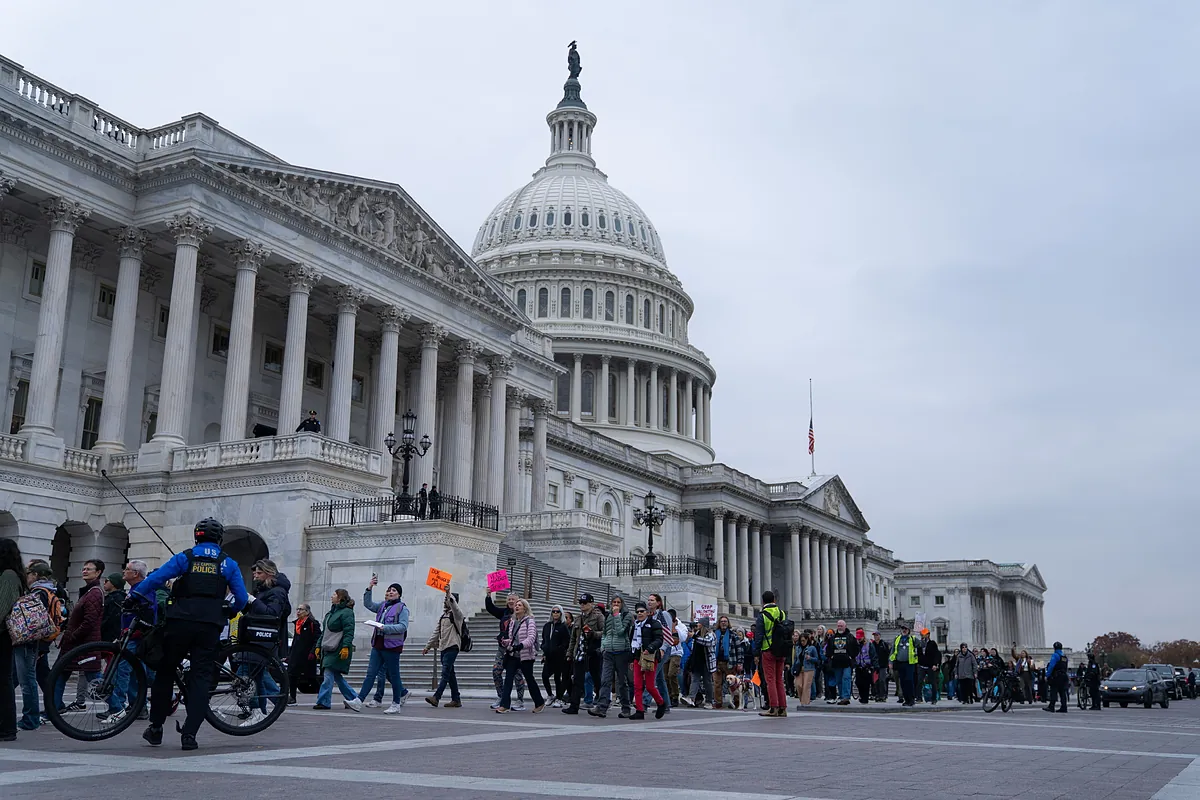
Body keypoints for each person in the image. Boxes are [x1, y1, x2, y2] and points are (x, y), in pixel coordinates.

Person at [127, 518, 248, 750]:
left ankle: (156, 729)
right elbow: (241, 598)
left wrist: (134, 596)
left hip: (179, 623)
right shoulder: (228, 563)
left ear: (197, 537)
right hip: (210, 625)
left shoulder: (186, 557)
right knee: (201, 677)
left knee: (165, 672)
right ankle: (190, 736)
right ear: (219, 539)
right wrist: (228, 612)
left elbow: (156, 578)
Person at [54, 559, 106, 713]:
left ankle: (117, 707)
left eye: (89, 569)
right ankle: (54, 707)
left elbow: (89, 621)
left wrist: (74, 635)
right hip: (77, 644)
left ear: (98, 572)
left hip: (83, 644)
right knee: (59, 675)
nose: (84, 571)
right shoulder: (89, 592)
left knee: (94, 678)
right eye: (84, 568)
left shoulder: (95, 593)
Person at [357, 575, 410, 713]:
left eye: (394, 590)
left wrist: (385, 628)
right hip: (378, 644)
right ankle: (358, 700)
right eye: (389, 590)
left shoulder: (402, 608)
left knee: (393, 675)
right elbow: (368, 604)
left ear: (399, 594)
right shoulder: (382, 606)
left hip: (392, 646)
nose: (390, 592)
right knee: (371, 673)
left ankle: (396, 704)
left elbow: (403, 626)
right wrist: (370, 588)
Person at [496, 599, 546, 713]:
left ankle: (539, 702)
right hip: (513, 654)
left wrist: (520, 646)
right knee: (508, 678)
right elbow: (512, 639)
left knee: (529, 678)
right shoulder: (513, 622)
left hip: (525, 655)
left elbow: (531, 638)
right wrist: (506, 642)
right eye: (516, 605)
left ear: (525, 608)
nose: (517, 607)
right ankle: (505, 705)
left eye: (520, 605)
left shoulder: (530, 621)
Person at [314, 588, 358, 711]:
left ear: (340, 598)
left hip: (337, 648)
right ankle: (353, 698)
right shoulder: (330, 613)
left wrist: (345, 647)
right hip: (328, 648)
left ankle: (323, 701)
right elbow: (324, 633)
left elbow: (349, 631)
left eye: (334, 594)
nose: (331, 596)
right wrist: (318, 646)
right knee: (336, 676)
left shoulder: (347, 613)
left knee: (328, 675)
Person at [589, 595, 632, 719]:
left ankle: (626, 707)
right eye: (614, 602)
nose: (616, 604)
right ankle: (602, 707)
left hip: (621, 651)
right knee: (605, 680)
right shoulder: (608, 616)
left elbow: (620, 631)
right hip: (608, 651)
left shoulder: (626, 616)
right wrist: (603, 646)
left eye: (618, 602)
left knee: (622, 682)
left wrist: (617, 615)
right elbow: (605, 633)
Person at [0, 538, 26, 741]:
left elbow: (2, 607)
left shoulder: (8, 576)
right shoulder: (9, 575)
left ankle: (7, 728)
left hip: (1, 635)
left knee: (3, 681)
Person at [562, 593, 604, 714]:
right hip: (579, 652)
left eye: (584, 603)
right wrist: (570, 653)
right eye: (580, 603)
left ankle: (602, 702)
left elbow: (605, 632)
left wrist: (594, 634)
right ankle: (574, 706)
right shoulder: (578, 618)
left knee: (596, 679)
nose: (582, 605)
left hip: (593, 652)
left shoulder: (598, 616)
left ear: (591, 603)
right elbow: (573, 638)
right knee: (577, 680)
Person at [423, 587, 465, 708]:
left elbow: (455, 607)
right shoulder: (443, 616)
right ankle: (456, 699)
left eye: (446, 600)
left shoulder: (457, 616)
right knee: (450, 674)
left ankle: (436, 697)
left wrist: (448, 593)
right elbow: (436, 632)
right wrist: (428, 646)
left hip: (452, 646)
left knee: (445, 673)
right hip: (443, 647)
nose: (444, 602)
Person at [486, 592, 525, 710]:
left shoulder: (521, 615)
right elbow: (491, 608)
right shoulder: (504, 613)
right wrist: (488, 596)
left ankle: (520, 700)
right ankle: (501, 697)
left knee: (517, 675)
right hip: (502, 648)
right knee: (496, 671)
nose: (511, 601)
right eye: (509, 599)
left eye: (513, 599)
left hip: (515, 649)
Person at [753, 590, 789, 717]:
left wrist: (756, 653)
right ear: (774, 600)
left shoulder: (762, 615)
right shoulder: (782, 613)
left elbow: (759, 636)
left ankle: (773, 707)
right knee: (779, 679)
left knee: (770, 680)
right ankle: (783, 707)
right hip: (782, 649)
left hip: (768, 649)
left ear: (763, 601)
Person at [629, 601, 667, 720]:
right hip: (637, 657)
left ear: (647, 612)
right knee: (637, 684)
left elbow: (659, 639)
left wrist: (650, 648)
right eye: (638, 612)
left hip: (650, 657)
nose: (639, 613)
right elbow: (632, 642)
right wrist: (631, 659)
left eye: (642, 611)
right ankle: (639, 710)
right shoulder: (635, 625)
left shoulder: (654, 623)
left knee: (650, 686)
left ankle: (661, 703)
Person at [287, 603, 321, 704]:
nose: (298, 611)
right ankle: (292, 697)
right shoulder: (297, 623)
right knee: (292, 676)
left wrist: (313, 652)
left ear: (307, 612)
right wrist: (290, 655)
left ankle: (322, 696)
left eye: (301, 609)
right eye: (297, 609)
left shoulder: (312, 623)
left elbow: (317, 638)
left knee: (310, 678)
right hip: (296, 655)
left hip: (307, 655)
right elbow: (295, 641)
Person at [540, 604, 570, 707]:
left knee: (558, 678)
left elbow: (567, 641)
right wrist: (544, 649)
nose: (555, 613)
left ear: (561, 613)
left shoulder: (563, 626)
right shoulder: (547, 626)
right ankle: (550, 695)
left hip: (559, 657)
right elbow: (544, 639)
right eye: (554, 611)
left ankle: (559, 698)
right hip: (548, 656)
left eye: (557, 611)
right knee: (544, 676)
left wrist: (559, 649)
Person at [828, 620, 858, 705]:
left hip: (847, 663)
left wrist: (851, 656)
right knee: (839, 680)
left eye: (841, 626)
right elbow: (828, 649)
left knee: (846, 678)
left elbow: (856, 648)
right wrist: (831, 656)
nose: (840, 627)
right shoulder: (833, 638)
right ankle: (841, 696)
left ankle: (846, 697)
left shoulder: (850, 637)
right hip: (836, 663)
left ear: (845, 626)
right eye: (838, 626)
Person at [890, 623, 919, 707]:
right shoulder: (897, 639)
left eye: (906, 629)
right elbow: (893, 650)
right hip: (900, 663)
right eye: (903, 629)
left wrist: (923, 632)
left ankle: (911, 699)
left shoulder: (913, 639)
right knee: (902, 682)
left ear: (909, 630)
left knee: (909, 681)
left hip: (909, 663)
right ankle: (906, 699)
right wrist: (890, 662)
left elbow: (922, 645)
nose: (904, 630)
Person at [794, 631, 819, 710]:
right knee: (798, 685)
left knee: (806, 686)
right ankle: (802, 700)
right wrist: (793, 669)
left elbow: (817, 659)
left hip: (809, 669)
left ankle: (805, 703)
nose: (802, 642)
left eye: (804, 641)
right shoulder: (798, 648)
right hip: (799, 669)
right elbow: (795, 659)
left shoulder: (812, 648)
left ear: (807, 640)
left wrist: (810, 658)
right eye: (801, 641)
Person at [853, 628, 877, 705]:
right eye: (858, 638)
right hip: (858, 667)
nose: (859, 639)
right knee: (858, 683)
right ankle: (862, 696)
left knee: (866, 684)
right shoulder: (856, 645)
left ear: (863, 637)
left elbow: (873, 655)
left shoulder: (869, 644)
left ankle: (865, 698)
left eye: (860, 638)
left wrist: (874, 666)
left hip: (867, 667)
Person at [100, 572, 127, 642]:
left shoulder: (116, 599)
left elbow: (110, 619)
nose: (104, 583)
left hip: (109, 637)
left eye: (106, 581)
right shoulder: (113, 597)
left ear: (113, 583)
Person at [1044, 641, 1069, 713]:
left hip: (1056, 676)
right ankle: (1064, 707)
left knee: (1053, 691)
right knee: (1062, 692)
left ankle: (1051, 706)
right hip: (1064, 675)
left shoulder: (1055, 655)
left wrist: (1047, 675)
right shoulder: (1064, 656)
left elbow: (1051, 666)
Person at [918, 628, 941, 705]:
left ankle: (934, 698)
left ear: (928, 635)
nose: (922, 636)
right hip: (922, 665)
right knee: (919, 681)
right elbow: (919, 654)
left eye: (924, 634)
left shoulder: (932, 643)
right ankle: (919, 697)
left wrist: (935, 664)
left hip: (930, 666)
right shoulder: (920, 643)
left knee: (932, 682)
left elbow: (936, 655)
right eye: (922, 634)